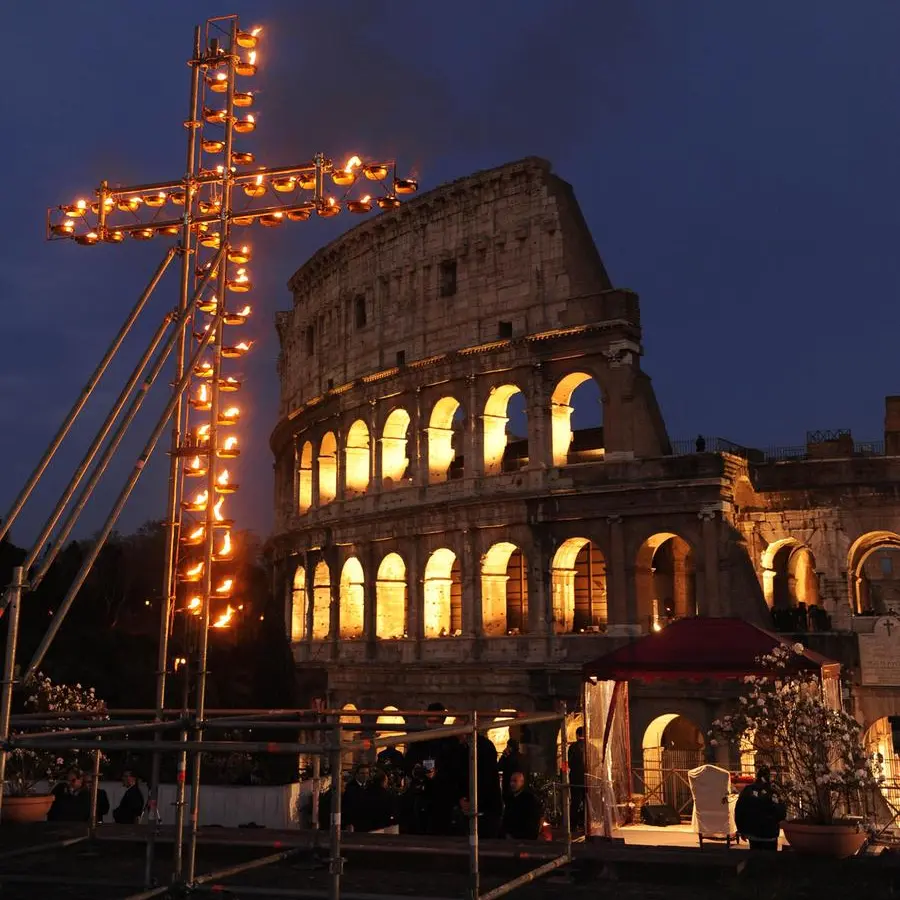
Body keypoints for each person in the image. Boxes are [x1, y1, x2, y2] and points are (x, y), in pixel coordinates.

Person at [734, 766, 785, 851]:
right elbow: (781, 813)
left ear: (757, 776)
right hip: (770, 833)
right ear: (769, 777)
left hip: (753, 833)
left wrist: (741, 830)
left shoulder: (748, 790)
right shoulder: (773, 792)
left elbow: (739, 811)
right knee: (770, 859)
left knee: (755, 857)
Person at [502, 771, 543, 840]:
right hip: (511, 837)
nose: (512, 784)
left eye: (515, 781)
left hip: (525, 837)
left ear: (522, 782)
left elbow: (533, 820)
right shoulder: (509, 799)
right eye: (511, 781)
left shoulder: (529, 799)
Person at [567, 727, 585, 831]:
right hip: (587, 779)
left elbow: (569, 763)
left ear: (577, 735)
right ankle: (585, 823)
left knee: (575, 802)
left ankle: (573, 825)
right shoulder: (590, 747)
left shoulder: (572, 747)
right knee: (587, 802)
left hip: (575, 778)